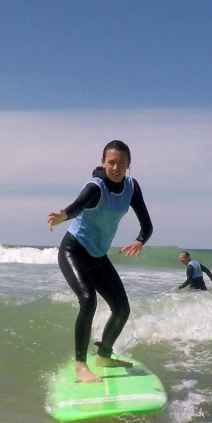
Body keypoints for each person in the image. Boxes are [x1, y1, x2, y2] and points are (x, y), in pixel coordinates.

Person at [47, 140, 153, 383]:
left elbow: (147, 225)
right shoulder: (96, 188)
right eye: (111, 162)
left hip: (98, 256)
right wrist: (63, 215)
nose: (115, 167)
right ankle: (80, 366)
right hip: (74, 250)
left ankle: (104, 355)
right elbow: (77, 206)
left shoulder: (131, 187)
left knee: (122, 309)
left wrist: (139, 240)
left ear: (129, 164)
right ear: (103, 162)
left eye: (121, 163)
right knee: (88, 300)